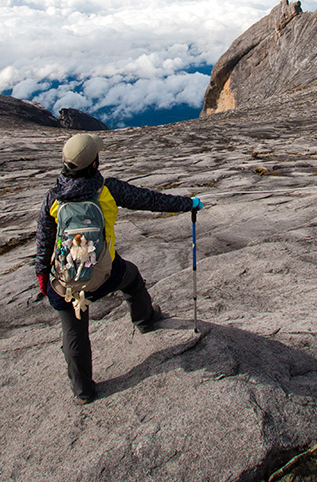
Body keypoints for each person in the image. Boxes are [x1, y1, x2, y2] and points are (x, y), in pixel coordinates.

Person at [34, 133, 204, 404]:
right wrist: (189, 203)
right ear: (93, 164)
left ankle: (83, 391)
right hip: (105, 274)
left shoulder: (52, 198)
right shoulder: (108, 190)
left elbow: (44, 240)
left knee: (74, 331)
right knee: (131, 277)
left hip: (65, 280)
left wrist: (43, 275)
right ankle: (145, 320)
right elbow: (151, 200)